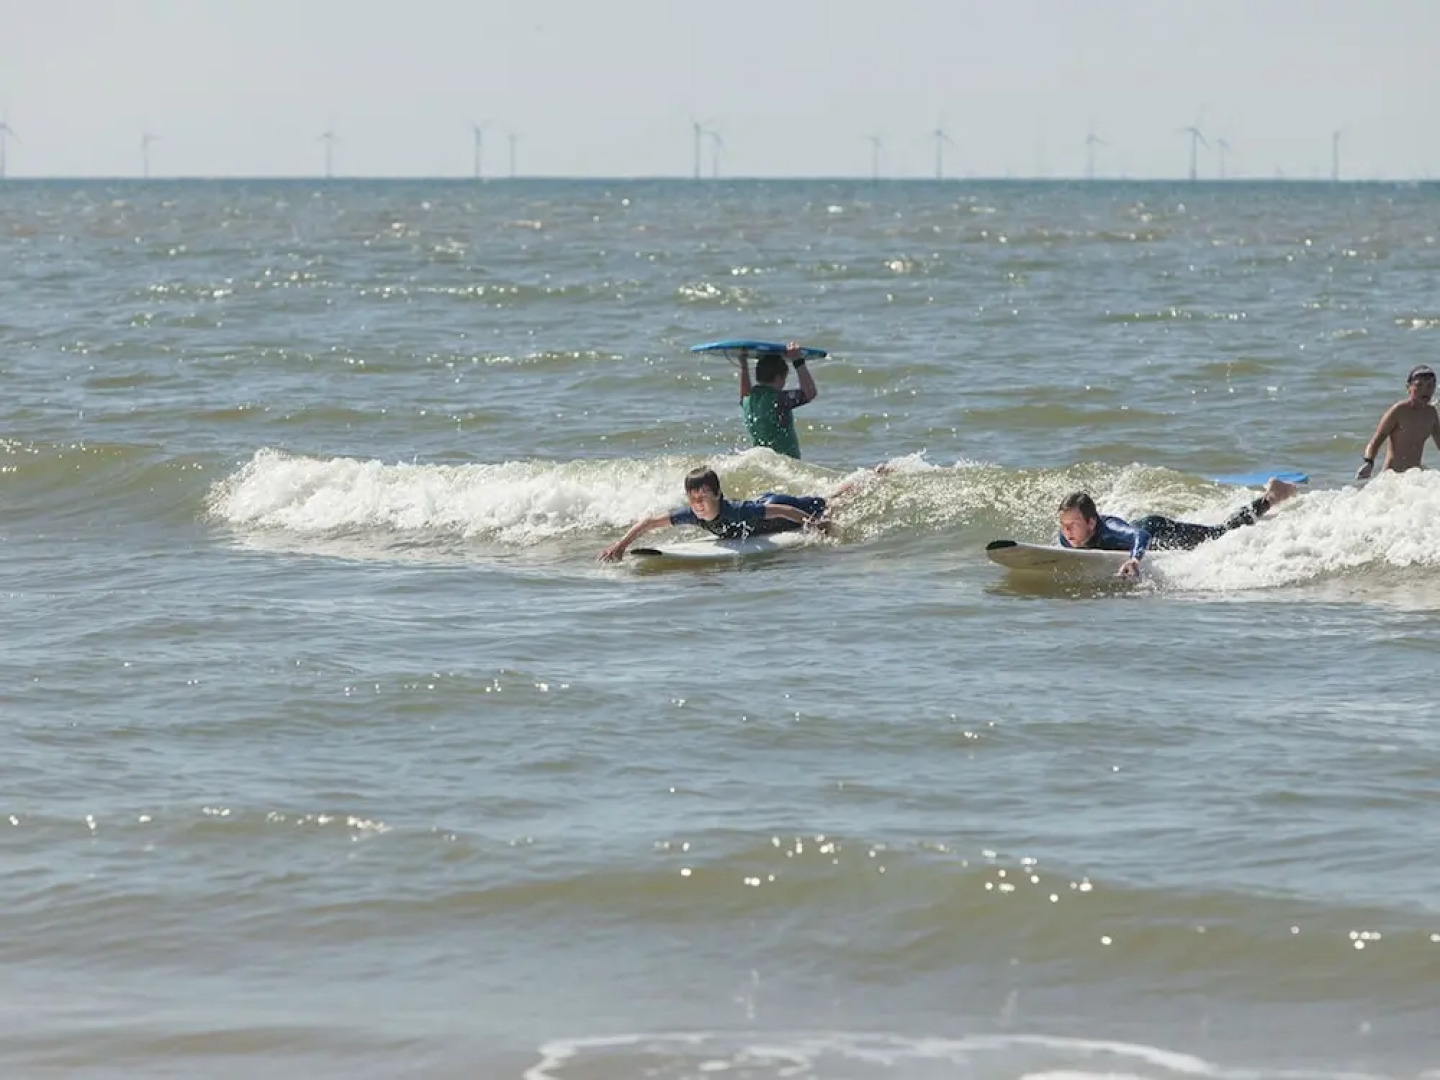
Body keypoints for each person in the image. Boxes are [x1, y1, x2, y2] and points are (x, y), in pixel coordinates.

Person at [1056, 477, 1299, 579]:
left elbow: (1140, 535)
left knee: (1219, 534)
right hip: (1144, 530)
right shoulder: (1067, 536)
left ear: (1091, 522)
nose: (1067, 532)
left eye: (1073, 525)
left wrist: (1134, 560)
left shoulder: (1110, 528)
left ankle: (1271, 496)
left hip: (1158, 531)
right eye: (1064, 525)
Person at [598, 466, 832, 562]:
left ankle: (847, 487)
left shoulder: (738, 511)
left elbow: (783, 510)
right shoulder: (691, 514)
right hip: (767, 511)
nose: (697, 505)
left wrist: (814, 524)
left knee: (826, 502)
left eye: (703, 498)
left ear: (718, 494)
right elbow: (649, 522)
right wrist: (620, 546)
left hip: (778, 507)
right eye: (692, 499)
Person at [1355, 365, 1440, 479]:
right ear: (1408, 388)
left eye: (1430, 385)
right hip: (1392, 477)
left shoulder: (1431, 413)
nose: (1425, 390)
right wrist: (1368, 463)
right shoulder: (1399, 410)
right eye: (1419, 385)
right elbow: (1376, 441)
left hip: (1414, 476)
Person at [736, 342, 817, 459]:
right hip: (785, 462)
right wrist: (798, 361)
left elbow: (744, 392)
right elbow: (810, 393)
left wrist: (743, 364)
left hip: (762, 461)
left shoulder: (749, 400)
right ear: (780, 377)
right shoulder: (778, 399)